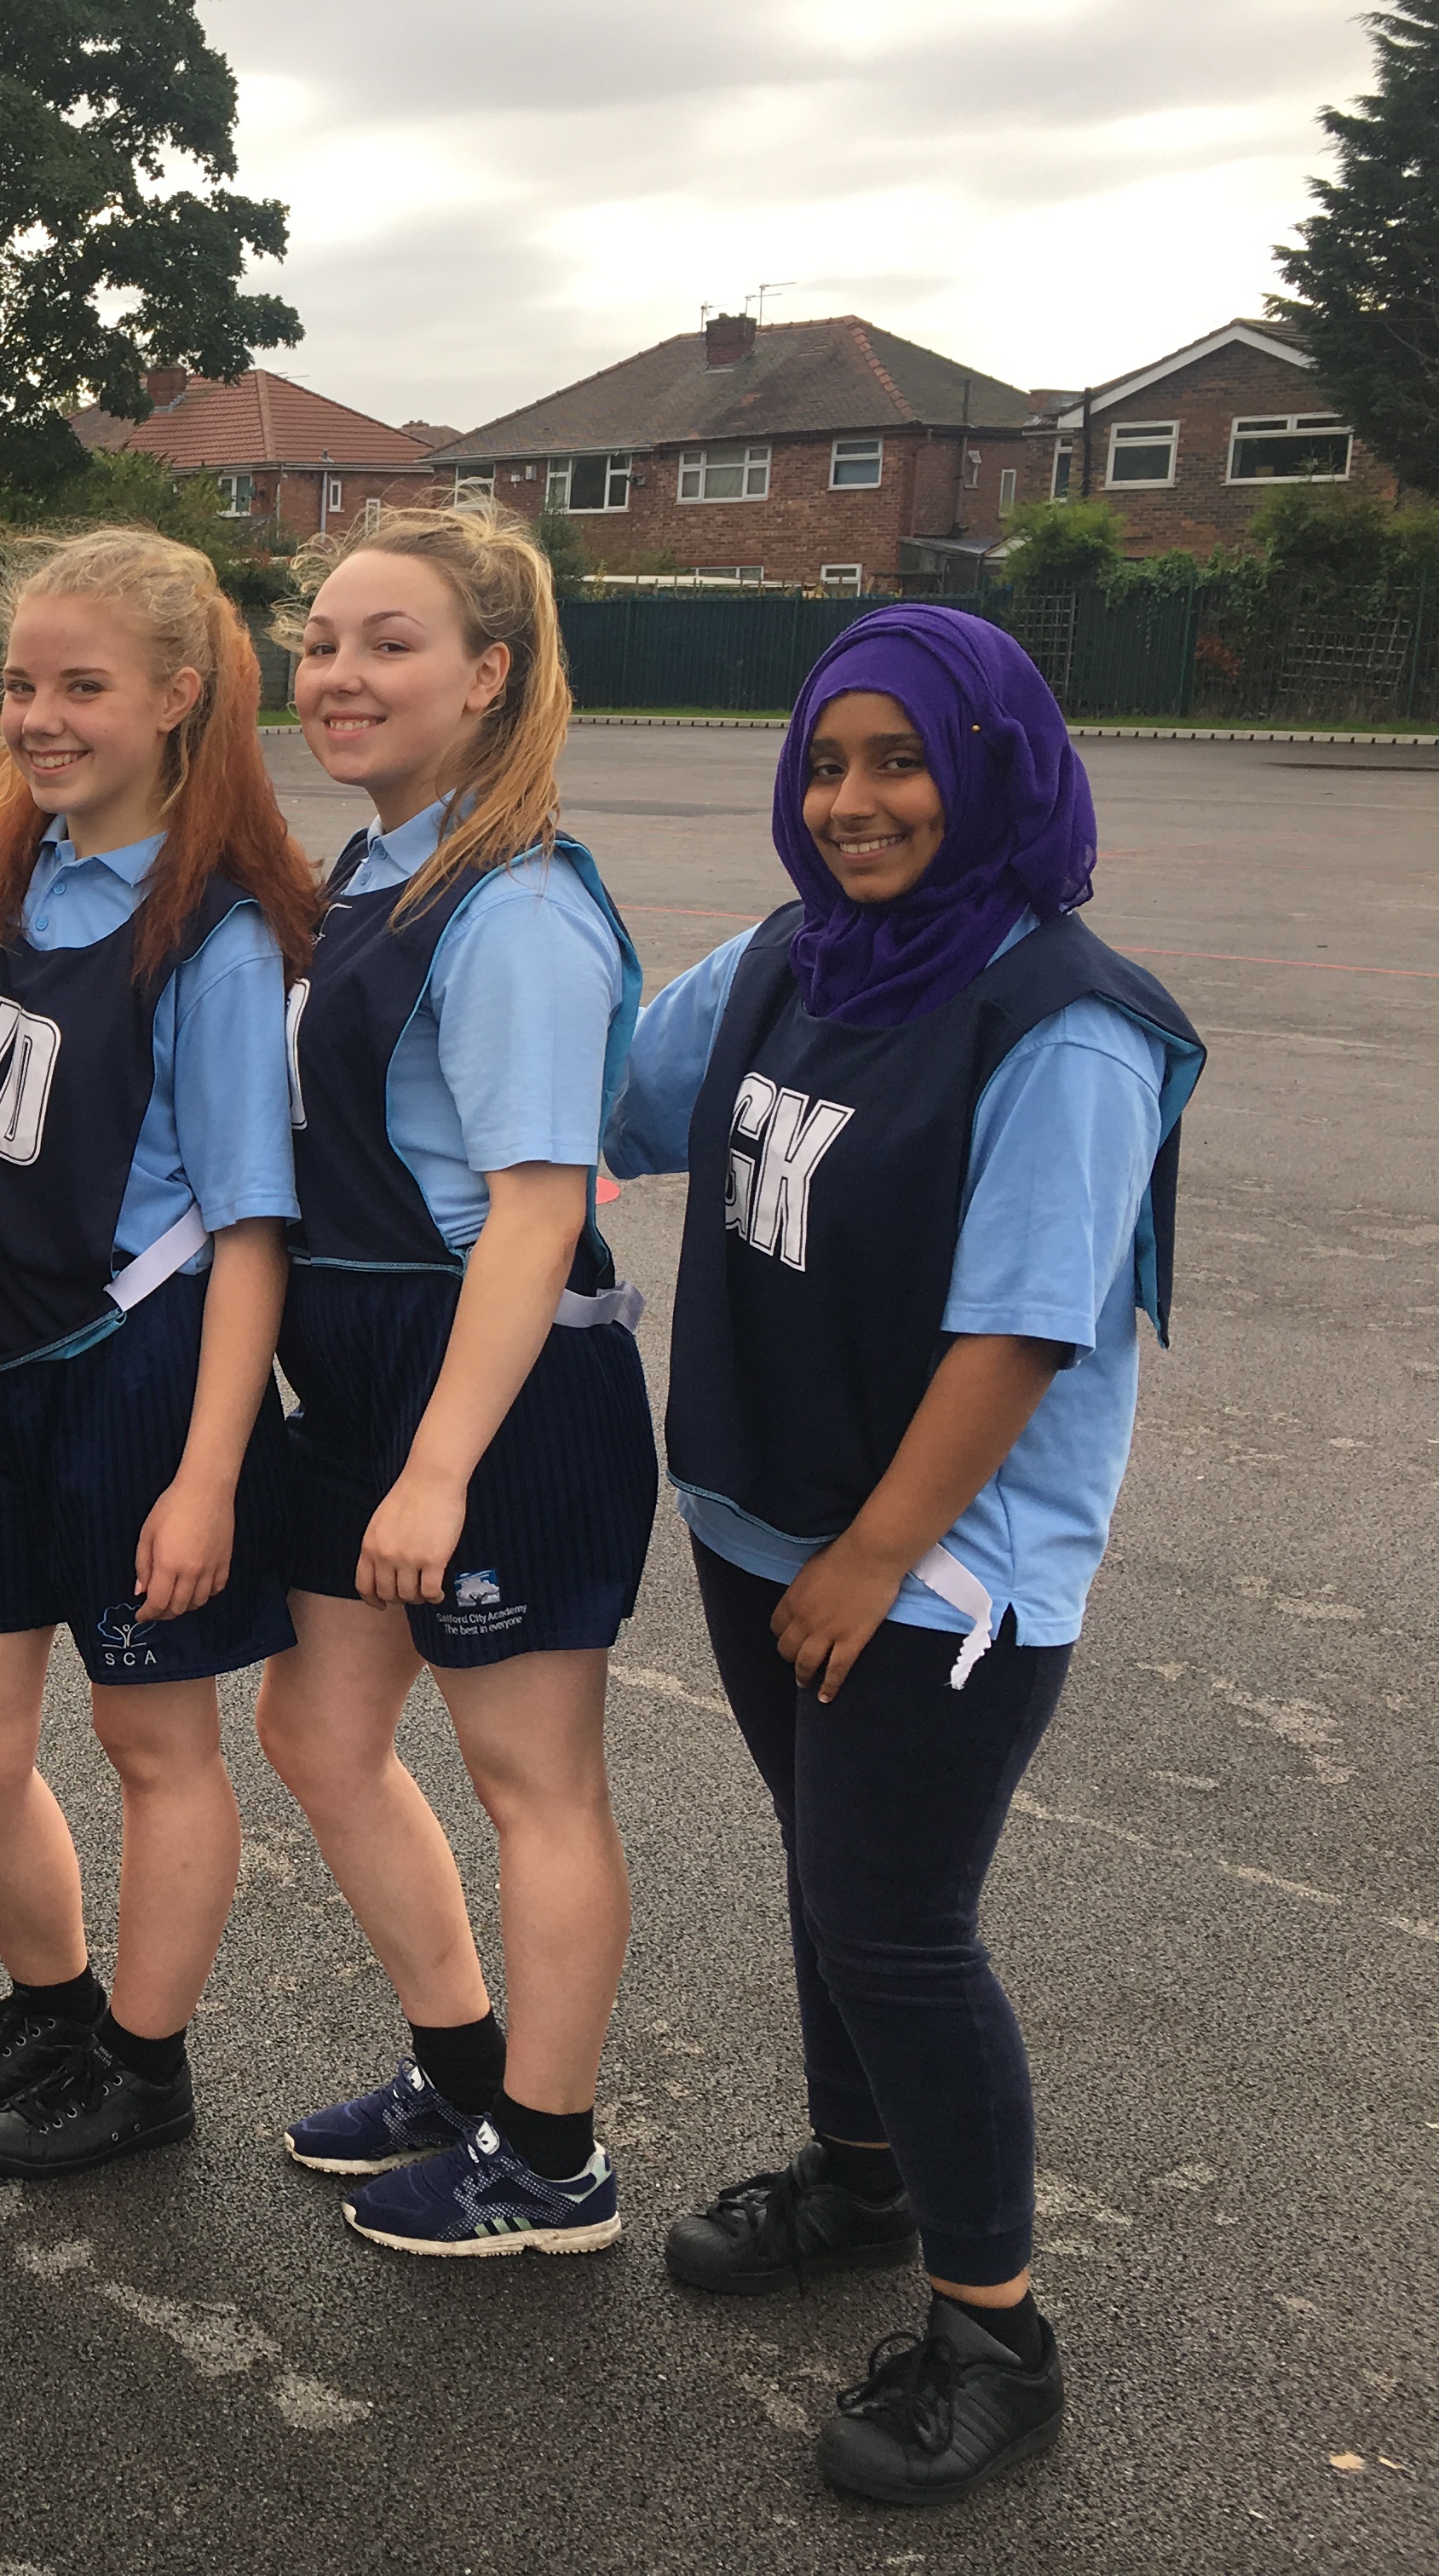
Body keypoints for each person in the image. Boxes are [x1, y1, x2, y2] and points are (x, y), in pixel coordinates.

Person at [606, 603, 1200, 2504]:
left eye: (902, 761)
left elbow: (1022, 1328)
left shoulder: (1066, 1020)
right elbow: (615, 1095)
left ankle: (995, 2332)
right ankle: (859, 2184)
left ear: (994, 765)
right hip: (761, 1509)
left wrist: (874, 1553)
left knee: (896, 1924)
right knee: (830, 1874)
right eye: (829, 761)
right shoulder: (794, 957)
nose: (853, 801)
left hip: (938, 1564)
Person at [250, 504, 653, 2257]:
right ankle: (464, 2061)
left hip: (487, 1387)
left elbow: (536, 1211)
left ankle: (551, 2160)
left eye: (388, 643)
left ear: (489, 675)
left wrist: (436, 1470)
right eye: (324, 639)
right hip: (350, 1364)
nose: (338, 673)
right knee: (320, 1730)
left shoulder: (521, 910)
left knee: (530, 1776)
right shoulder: (372, 866)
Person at [0, 527, 316, 2179]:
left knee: (153, 1742)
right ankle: (57, 2007)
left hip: (135, 1367)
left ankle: (146, 2070)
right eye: (21, 684)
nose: (41, 715)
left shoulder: (208, 930)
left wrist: (209, 1472)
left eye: (82, 686)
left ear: (176, 700)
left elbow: (251, 1230)